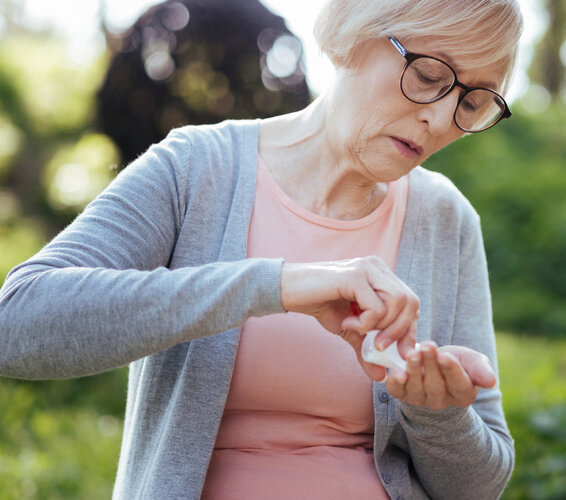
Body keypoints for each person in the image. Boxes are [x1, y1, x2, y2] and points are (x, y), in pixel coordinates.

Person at [0, 0, 523, 498]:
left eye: (472, 103)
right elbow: (16, 324)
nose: (441, 119)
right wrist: (276, 284)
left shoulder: (445, 219)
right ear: (353, 34)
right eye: (430, 77)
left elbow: (478, 488)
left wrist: (437, 412)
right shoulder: (195, 169)